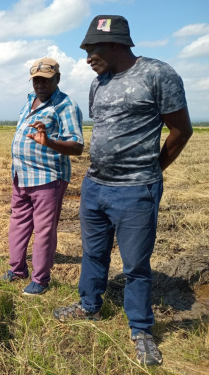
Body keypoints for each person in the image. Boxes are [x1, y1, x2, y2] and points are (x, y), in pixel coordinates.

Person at [53, 15, 193, 366]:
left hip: (136, 190)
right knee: (93, 253)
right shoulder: (98, 83)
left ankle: (141, 329)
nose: (86, 57)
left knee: (135, 266)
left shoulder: (158, 75)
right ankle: (89, 305)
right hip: (95, 185)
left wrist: (151, 170)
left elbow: (181, 131)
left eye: (91, 48)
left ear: (116, 43)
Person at [1, 57, 84, 295]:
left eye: (45, 80)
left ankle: (40, 279)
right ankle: (17, 270)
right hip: (21, 175)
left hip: (48, 178)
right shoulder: (30, 101)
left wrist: (48, 141)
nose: (39, 85)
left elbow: (77, 146)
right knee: (18, 223)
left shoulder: (65, 105)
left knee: (44, 229)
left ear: (57, 79)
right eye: (36, 80)